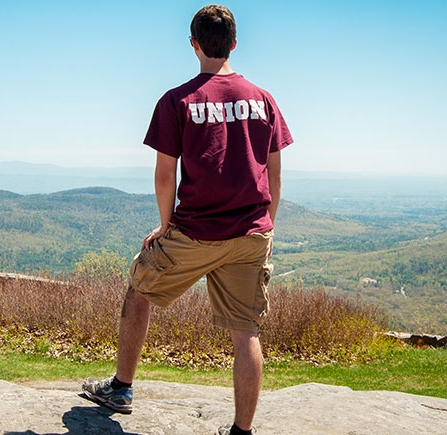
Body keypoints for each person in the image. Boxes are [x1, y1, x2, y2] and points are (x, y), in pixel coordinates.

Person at [82, 4, 293, 434]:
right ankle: (241, 431)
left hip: (195, 231)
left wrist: (165, 225)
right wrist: (266, 224)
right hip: (251, 232)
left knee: (139, 288)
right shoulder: (263, 99)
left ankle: (121, 389)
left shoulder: (177, 100)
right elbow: (274, 172)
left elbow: (165, 175)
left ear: (194, 45)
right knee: (245, 332)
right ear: (234, 43)